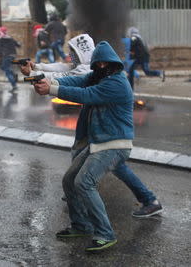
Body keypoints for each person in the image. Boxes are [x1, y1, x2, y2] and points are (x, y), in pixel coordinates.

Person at [21, 34, 163, 218]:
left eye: (73, 52)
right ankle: (149, 200)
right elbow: (64, 70)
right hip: (97, 124)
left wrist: (39, 78)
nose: (70, 56)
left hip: (101, 129)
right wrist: (36, 69)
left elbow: (72, 83)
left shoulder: (99, 72)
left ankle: (95, 216)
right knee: (114, 165)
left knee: (85, 164)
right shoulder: (96, 70)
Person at [32, 41, 150, 252]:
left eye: (102, 64)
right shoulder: (99, 76)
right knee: (70, 180)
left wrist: (51, 89)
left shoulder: (116, 83)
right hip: (99, 142)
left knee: (84, 183)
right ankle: (81, 225)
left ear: (110, 64)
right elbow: (77, 81)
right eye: (96, 64)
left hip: (114, 144)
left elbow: (85, 95)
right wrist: (41, 76)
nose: (98, 67)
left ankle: (105, 234)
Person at [0, 26, 20, 93]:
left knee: (7, 71)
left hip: (6, 56)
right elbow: (18, 44)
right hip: (13, 55)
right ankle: (14, 75)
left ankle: (14, 85)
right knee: (3, 67)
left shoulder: (0, 39)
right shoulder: (10, 38)